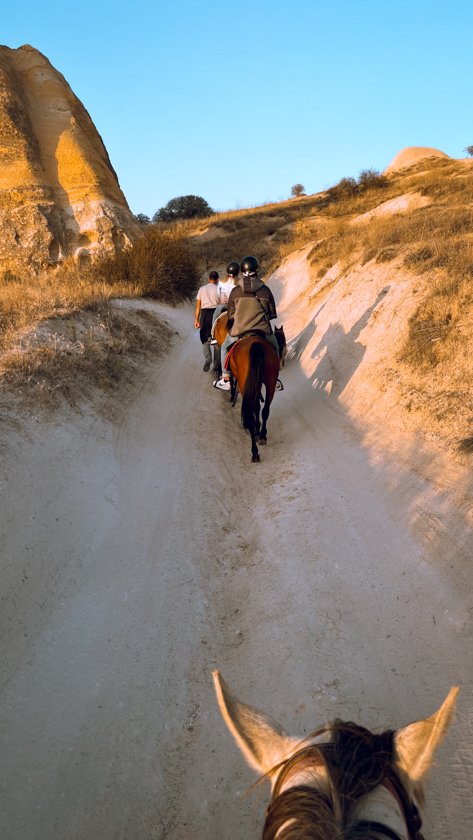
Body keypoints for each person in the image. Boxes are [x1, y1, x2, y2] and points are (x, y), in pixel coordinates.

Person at [214, 256, 280, 390]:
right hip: (262, 329)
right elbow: (272, 314)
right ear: (256, 270)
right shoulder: (265, 290)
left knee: (224, 348)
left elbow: (230, 314)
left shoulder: (236, 290)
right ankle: (275, 377)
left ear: (242, 271)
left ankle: (226, 378)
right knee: (275, 347)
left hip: (240, 329)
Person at [194, 271, 220, 371]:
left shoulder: (202, 289)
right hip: (216, 314)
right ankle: (216, 364)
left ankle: (208, 358)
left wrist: (196, 319)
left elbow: (197, 307)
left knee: (205, 338)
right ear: (217, 279)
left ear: (209, 279)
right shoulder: (219, 289)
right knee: (217, 340)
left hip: (204, 315)